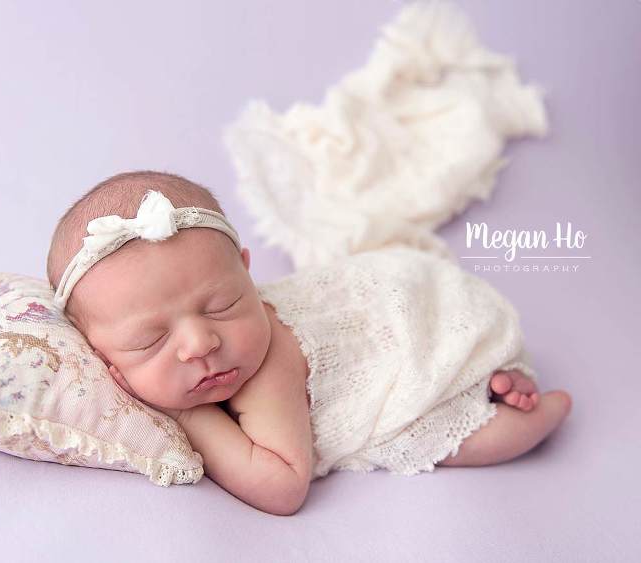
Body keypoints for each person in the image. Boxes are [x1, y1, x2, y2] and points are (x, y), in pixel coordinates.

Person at [46, 170, 572, 516]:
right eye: (151, 339)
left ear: (247, 274)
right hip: (410, 283)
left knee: (441, 437)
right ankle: (497, 375)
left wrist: (189, 418)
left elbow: (283, 487)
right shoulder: (205, 345)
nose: (201, 343)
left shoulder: (265, 370)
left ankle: (524, 409)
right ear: (100, 355)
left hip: (414, 319)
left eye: (223, 305)